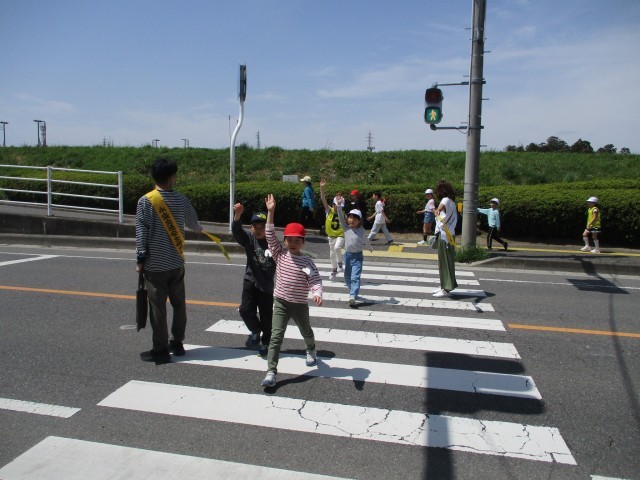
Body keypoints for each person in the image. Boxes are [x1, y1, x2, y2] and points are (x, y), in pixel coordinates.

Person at [135, 157, 203, 364]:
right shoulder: (181, 200)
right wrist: (198, 228)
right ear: (172, 177)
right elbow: (195, 225)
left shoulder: (146, 201)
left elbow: (141, 233)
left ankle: (160, 349)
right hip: (176, 263)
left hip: (154, 265)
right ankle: (178, 342)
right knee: (179, 304)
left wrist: (140, 259)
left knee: (158, 308)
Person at [261, 194, 323, 388]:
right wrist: (271, 212)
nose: (293, 243)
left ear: (303, 242)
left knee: (306, 331)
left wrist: (317, 293)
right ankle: (271, 372)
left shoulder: (306, 262)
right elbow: (270, 235)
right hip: (280, 302)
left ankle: (311, 349)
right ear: (285, 241)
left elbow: (314, 279)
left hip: (299, 305)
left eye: (297, 240)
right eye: (289, 239)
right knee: (275, 337)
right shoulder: (279, 255)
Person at [232, 204, 275, 356]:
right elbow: (237, 232)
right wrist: (237, 215)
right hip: (250, 281)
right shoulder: (249, 239)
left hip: (266, 286)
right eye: (255, 227)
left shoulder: (272, 243)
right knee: (245, 310)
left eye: (262, 227)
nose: (258, 230)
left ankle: (266, 341)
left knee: (266, 318)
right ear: (251, 228)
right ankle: (255, 330)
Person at [336, 197, 373, 307]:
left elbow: (366, 240)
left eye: (354, 218)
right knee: (347, 277)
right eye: (350, 217)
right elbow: (340, 218)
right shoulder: (346, 228)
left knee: (355, 277)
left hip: (357, 257)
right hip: (347, 256)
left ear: (359, 221)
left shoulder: (361, 231)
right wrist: (339, 206)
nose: (351, 220)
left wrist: (369, 247)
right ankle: (353, 290)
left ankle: (352, 295)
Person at [432, 180, 458, 298]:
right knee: (447, 261)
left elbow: (439, 209)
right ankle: (445, 285)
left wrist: (436, 211)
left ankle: (446, 289)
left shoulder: (445, 200)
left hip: (444, 236)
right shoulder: (452, 202)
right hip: (449, 235)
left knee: (444, 262)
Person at [319, 179, 345, 280]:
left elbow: (349, 223)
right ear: (333, 204)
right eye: (337, 205)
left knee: (337, 248)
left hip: (340, 235)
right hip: (331, 236)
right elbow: (323, 199)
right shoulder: (329, 210)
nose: (338, 207)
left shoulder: (343, 213)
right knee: (332, 254)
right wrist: (322, 188)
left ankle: (340, 264)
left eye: (340, 206)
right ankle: (334, 270)